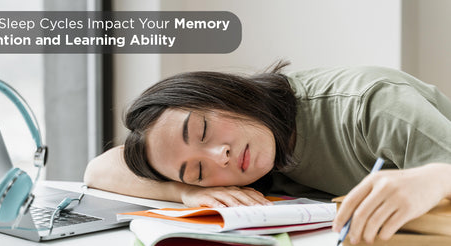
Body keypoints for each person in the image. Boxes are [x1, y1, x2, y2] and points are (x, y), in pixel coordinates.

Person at [83, 61, 451, 245]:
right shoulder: (252, 156)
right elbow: (98, 170)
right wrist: (187, 192)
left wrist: (437, 177)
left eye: (204, 131)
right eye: (197, 169)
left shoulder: (372, 105)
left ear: (224, 93)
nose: (219, 156)